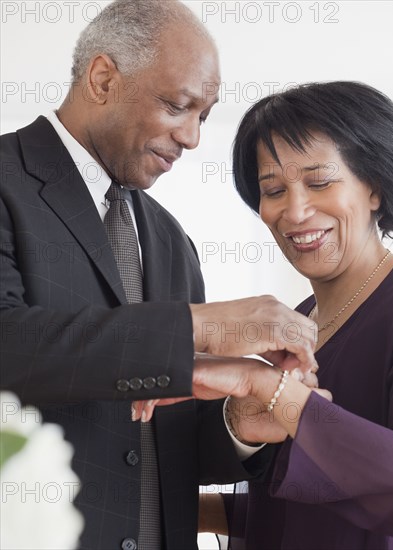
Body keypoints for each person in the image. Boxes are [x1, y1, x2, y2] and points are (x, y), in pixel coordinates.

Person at [0, 2, 320, 549]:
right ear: (102, 79)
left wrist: (243, 420)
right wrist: (201, 327)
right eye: (178, 106)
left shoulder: (171, 239)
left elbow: (172, 444)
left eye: (204, 115)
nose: (193, 138)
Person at [199, 81, 393, 549]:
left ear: (375, 187)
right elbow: (299, 506)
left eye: (319, 182)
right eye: (273, 189)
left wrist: (271, 391)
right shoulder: (296, 323)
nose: (295, 211)